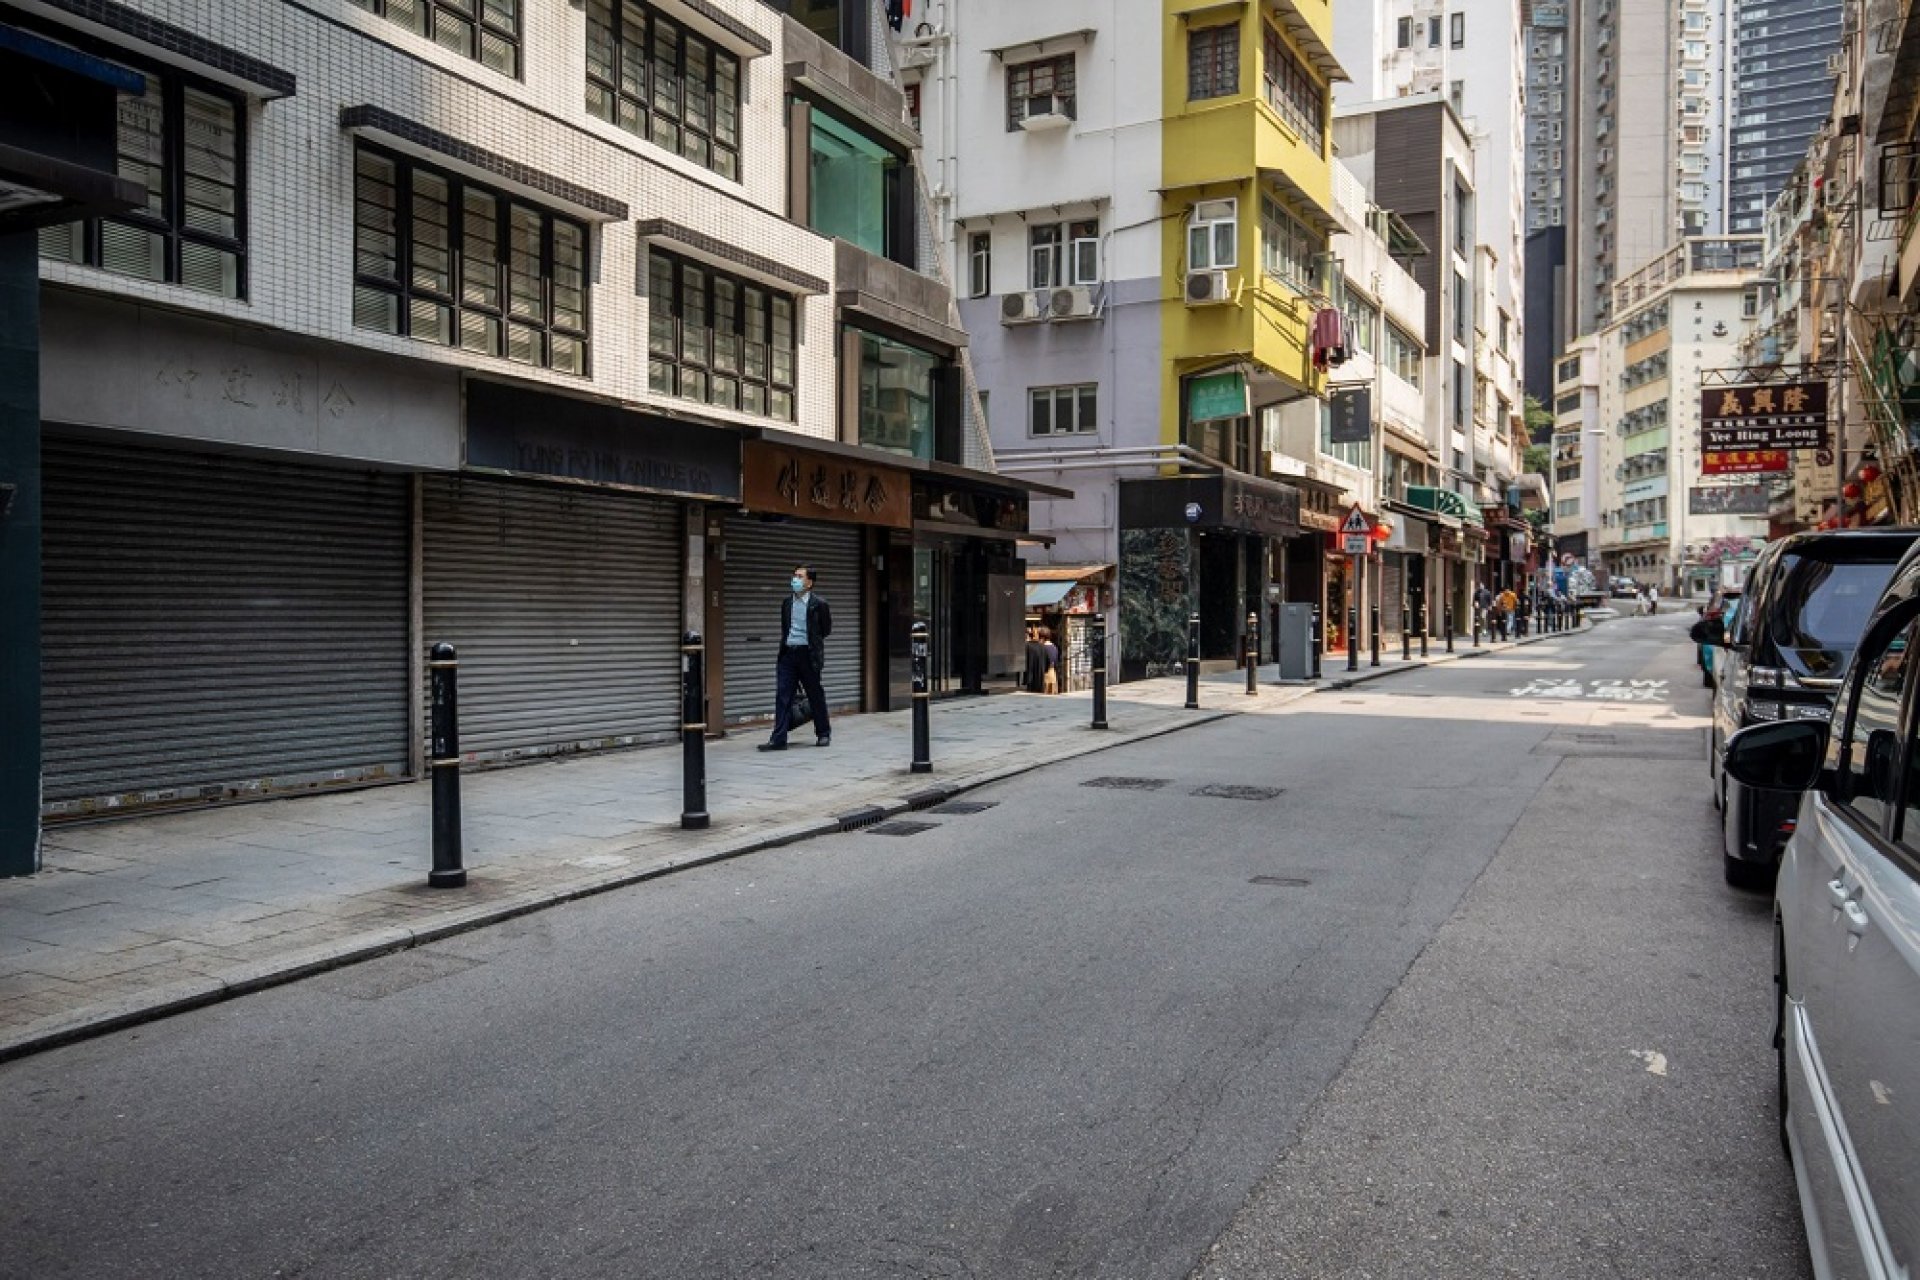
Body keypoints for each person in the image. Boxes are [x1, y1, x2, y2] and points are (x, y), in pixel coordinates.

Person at [759, 564, 833, 751]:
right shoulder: (787, 603)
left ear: (809, 582)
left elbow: (825, 630)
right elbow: (786, 628)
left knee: (815, 694)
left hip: (808, 654)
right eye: (794, 576)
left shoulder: (819, 604)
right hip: (788, 654)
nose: (795, 579)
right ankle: (778, 739)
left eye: (800, 576)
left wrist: (811, 645)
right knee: (783, 695)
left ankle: (823, 733)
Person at [1023, 625, 1048, 692]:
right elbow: (1047, 661)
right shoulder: (1043, 647)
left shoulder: (1027, 646)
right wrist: (1044, 670)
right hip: (1040, 675)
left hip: (1030, 675)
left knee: (1030, 692)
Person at [1039, 626, 1061, 694]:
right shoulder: (1054, 647)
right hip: (1053, 674)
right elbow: (1056, 662)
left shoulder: (1042, 648)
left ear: (1042, 637)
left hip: (1044, 675)